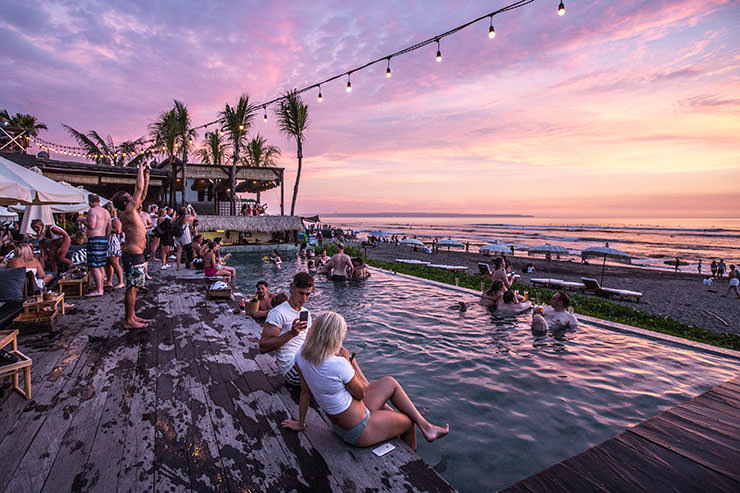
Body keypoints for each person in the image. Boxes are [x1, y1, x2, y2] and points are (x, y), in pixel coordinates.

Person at [281, 311, 449, 450]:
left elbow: (305, 391)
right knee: (408, 422)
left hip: (340, 425)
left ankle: (426, 426)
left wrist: (301, 423)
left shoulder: (300, 355)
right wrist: (350, 362)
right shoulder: (338, 363)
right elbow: (361, 393)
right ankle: (413, 466)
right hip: (359, 430)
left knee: (389, 382)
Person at [112, 162, 152, 329]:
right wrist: (140, 170)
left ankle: (132, 316)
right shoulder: (128, 210)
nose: (133, 196)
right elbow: (139, 189)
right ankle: (129, 320)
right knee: (132, 288)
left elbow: (141, 195)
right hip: (133, 255)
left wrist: (147, 177)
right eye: (129, 196)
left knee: (134, 287)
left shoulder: (131, 210)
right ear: (126, 200)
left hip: (136, 254)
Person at [260, 272, 315, 386]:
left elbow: (308, 341)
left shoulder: (306, 313)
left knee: (343, 357)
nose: (304, 299)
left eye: (308, 294)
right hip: (292, 369)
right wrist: (291, 334)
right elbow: (263, 347)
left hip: (305, 360)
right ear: (292, 287)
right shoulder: (278, 313)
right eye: (301, 293)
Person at [84, 193, 111, 296]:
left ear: (90, 201)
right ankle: (100, 287)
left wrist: (82, 220)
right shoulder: (106, 212)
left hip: (95, 240)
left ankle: (99, 290)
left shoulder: (92, 211)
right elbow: (109, 228)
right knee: (101, 265)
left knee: (94, 265)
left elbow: (91, 225)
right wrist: (106, 239)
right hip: (103, 238)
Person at [104, 203, 124, 289]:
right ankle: (109, 281)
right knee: (108, 263)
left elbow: (118, 230)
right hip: (107, 241)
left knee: (115, 262)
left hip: (112, 241)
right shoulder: (107, 219)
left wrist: (108, 229)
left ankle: (121, 282)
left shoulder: (114, 220)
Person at [174, 204, 197, 270]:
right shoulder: (186, 218)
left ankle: (178, 267)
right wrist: (192, 209)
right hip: (185, 236)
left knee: (179, 252)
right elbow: (194, 216)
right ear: (185, 212)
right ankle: (191, 266)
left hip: (178, 236)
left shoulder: (177, 218)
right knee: (189, 251)